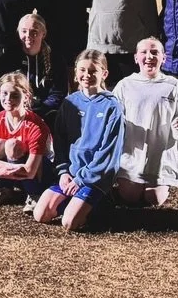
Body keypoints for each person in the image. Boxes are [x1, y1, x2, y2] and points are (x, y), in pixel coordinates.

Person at [34, 50, 124, 232]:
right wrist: (63, 173)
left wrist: (81, 179)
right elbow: (60, 142)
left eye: (93, 71)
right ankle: (75, 201)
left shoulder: (112, 106)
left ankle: (103, 201)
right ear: (75, 73)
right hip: (70, 175)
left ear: (104, 74)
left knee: (69, 223)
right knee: (41, 215)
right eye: (82, 70)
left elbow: (108, 153)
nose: (86, 75)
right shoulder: (69, 103)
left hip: (94, 178)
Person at [113, 37, 178, 207]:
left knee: (153, 199)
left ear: (163, 58)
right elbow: (114, 117)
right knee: (129, 196)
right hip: (132, 154)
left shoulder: (174, 86)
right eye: (144, 52)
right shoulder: (124, 85)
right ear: (136, 58)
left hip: (161, 154)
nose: (149, 57)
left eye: (155, 52)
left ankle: (158, 183)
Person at [0, 72, 54, 206]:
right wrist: (6, 168)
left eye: (15, 95)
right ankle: (5, 190)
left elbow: (29, 171)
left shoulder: (36, 125)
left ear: (26, 97)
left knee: (12, 145)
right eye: (4, 93)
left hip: (42, 171)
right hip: (16, 169)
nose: (8, 99)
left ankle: (34, 193)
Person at [11, 13, 67, 124]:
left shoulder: (56, 59)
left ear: (44, 34)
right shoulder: (9, 59)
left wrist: (38, 112)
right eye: (24, 31)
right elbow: (1, 91)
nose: (28, 35)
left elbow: (58, 93)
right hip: (15, 114)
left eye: (34, 32)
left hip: (46, 115)